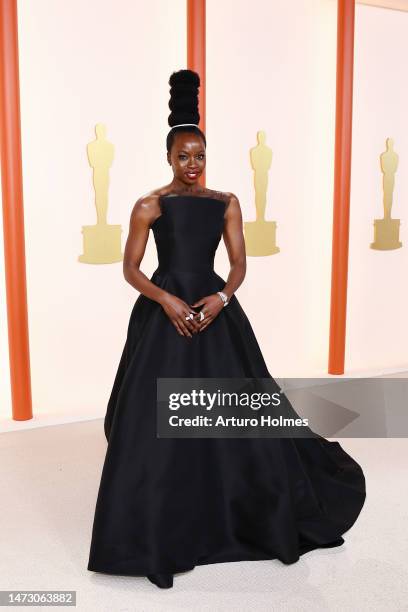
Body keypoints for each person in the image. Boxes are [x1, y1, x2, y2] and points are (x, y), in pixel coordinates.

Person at [87, 69, 366, 589]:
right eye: (183, 156)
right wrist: (166, 298)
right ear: (168, 157)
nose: (192, 165)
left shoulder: (226, 203)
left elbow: (238, 265)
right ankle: (158, 540)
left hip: (214, 312)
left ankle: (245, 515)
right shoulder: (149, 204)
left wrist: (222, 297)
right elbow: (130, 269)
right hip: (166, 314)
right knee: (153, 429)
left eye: (199, 156)